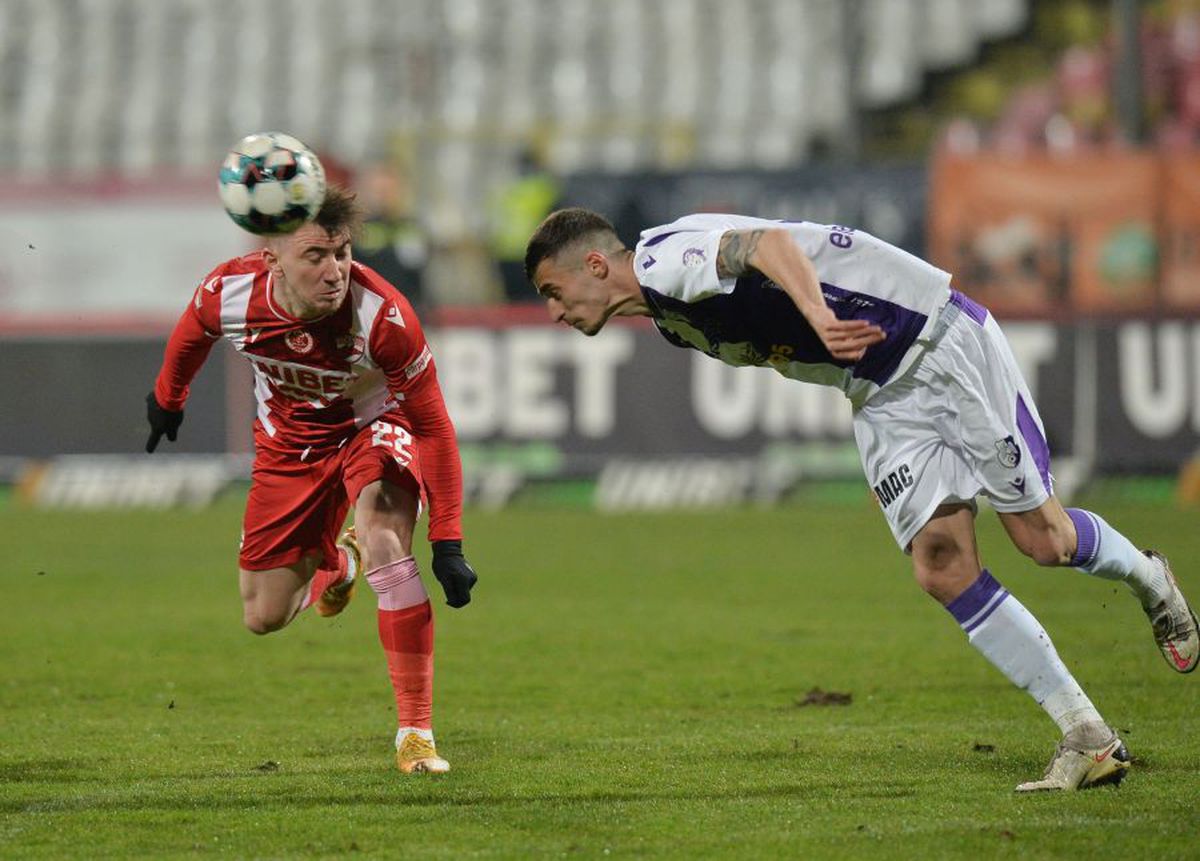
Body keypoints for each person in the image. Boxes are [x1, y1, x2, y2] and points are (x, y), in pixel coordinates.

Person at [523, 207, 1198, 792]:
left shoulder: (663, 261)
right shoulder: (670, 317)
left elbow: (768, 245)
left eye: (554, 291)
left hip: (938, 343)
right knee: (941, 564)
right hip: (878, 390)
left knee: (1043, 541)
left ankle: (1150, 578)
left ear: (593, 264)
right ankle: (1086, 733)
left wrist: (820, 312)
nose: (555, 312)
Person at [145, 187, 478, 774]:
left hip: (375, 426)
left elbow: (434, 425)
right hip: (288, 444)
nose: (335, 272)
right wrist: (168, 400)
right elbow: (191, 332)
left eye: (343, 253)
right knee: (263, 616)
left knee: (385, 543)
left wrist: (447, 539)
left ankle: (416, 734)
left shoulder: (384, 316)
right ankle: (339, 564)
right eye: (316, 257)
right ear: (271, 258)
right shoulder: (231, 291)